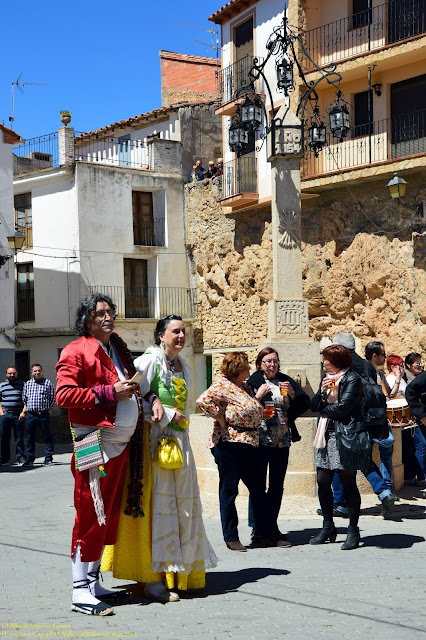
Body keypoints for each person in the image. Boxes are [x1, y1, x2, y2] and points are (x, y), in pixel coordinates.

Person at [56, 293, 163, 616]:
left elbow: (133, 382)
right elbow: (63, 395)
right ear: (86, 319)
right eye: (100, 313)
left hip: (119, 444)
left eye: (110, 312)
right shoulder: (75, 350)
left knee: (108, 513)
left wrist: (152, 397)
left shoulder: (115, 346)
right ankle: (79, 592)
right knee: (89, 512)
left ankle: (92, 581)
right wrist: (108, 392)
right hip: (91, 441)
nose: (108, 317)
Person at [102, 315, 217, 603]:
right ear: (161, 336)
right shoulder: (149, 361)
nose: (181, 336)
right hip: (152, 445)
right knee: (159, 506)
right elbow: (129, 396)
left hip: (179, 443)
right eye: (175, 331)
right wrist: (163, 412)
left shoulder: (184, 367)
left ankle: (180, 574)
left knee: (182, 506)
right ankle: (154, 579)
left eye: (183, 332)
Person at [196, 352, 275, 552]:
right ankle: (231, 536)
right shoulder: (223, 385)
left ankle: (264, 532)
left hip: (250, 442)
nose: (249, 369)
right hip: (230, 442)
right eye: (247, 366)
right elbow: (202, 401)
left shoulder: (245, 387)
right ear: (238, 368)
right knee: (230, 490)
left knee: (258, 489)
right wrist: (221, 418)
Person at [327, 334, 396, 518]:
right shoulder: (367, 365)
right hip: (369, 420)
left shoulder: (340, 364)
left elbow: (336, 395)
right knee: (363, 458)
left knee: (338, 461)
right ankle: (384, 492)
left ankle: (340, 503)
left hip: (346, 421)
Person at [246, 347, 309, 547]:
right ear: (260, 364)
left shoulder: (285, 380)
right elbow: (244, 408)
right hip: (261, 440)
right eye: (267, 361)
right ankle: (258, 530)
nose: (272, 365)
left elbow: (304, 403)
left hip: (282, 439)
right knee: (257, 486)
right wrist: (258, 396)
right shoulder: (254, 381)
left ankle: (271, 527)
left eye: (274, 361)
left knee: (276, 486)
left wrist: (292, 395)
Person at [310, 345, 371, 550]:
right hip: (326, 434)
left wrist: (323, 408)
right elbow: (313, 405)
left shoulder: (352, 379)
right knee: (322, 479)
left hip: (345, 436)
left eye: (327, 359)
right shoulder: (327, 378)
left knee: (348, 482)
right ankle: (328, 526)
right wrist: (321, 392)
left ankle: (353, 530)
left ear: (337, 360)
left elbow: (344, 407)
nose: (324, 362)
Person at [398, 353, 426, 487]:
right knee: (416, 447)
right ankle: (418, 477)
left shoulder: (421, 377)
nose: (420, 365)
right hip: (409, 420)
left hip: (419, 418)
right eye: (416, 362)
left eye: (421, 362)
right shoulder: (405, 380)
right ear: (408, 365)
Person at [22, 364, 55, 466]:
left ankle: (48, 458)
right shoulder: (27, 384)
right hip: (31, 415)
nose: (37, 373)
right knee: (30, 437)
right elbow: (24, 399)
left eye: (39, 371)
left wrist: (47, 409)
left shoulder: (48, 383)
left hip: (43, 414)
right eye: (35, 371)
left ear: (42, 371)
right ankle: (30, 459)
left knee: (47, 436)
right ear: (32, 372)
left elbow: (52, 398)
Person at [0, 366, 26, 466]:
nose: (12, 375)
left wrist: (23, 412)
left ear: (17, 374)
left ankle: (21, 458)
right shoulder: (2, 385)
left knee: (19, 438)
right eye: (10, 373)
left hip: (18, 415)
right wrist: (1, 413)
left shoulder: (22, 385)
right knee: (4, 438)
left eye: (14, 373)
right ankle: (4, 459)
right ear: (6, 374)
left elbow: (26, 400)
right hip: (5, 415)